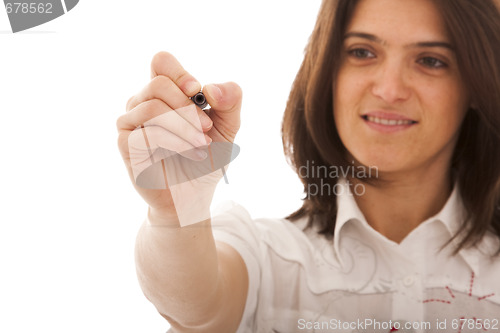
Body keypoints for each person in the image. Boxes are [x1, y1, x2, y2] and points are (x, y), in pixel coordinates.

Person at [116, 0, 500, 332]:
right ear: (327, 71)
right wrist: (175, 213)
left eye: (431, 60)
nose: (389, 89)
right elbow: (197, 308)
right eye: (362, 52)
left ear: (476, 84)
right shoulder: (269, 260)